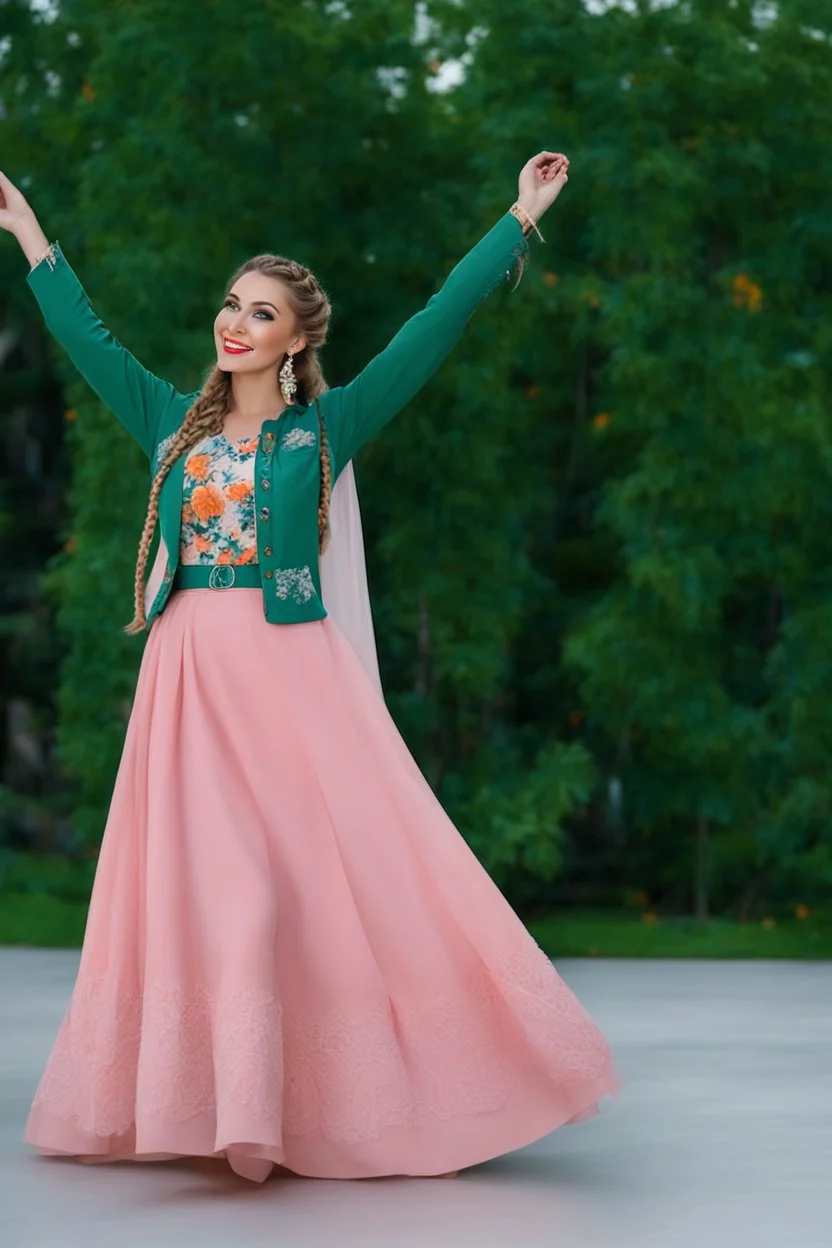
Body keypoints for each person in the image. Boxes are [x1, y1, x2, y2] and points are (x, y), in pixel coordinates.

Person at [0, 151, 619, 1185]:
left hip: (290, 678)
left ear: (295, 341)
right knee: (219, 896)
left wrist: (517, 220)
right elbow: (86, 339)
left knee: (312, 890)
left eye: (260, 314)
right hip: (189, 679)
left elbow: (432, 328)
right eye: (231, 306)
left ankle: (314, 1107)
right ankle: (228, 1113)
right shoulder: (168, 423)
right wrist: (28, 233)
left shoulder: (323, 430)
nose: (233, 325)